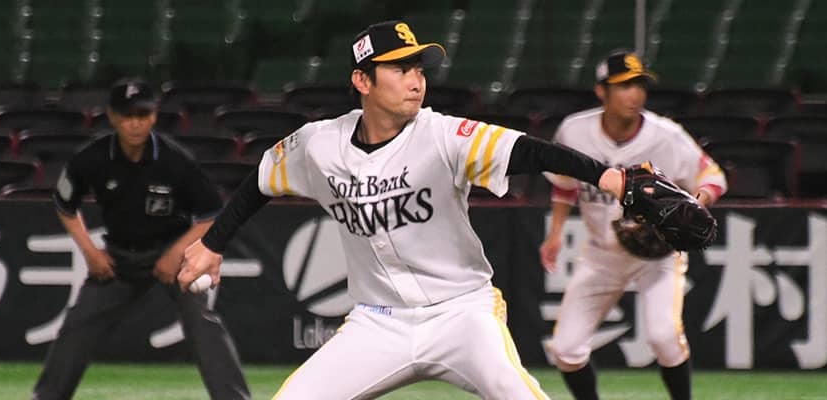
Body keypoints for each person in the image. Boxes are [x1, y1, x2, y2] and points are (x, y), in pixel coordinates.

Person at [178, 21, 628, 399]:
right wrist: (213, 244)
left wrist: (608, 177)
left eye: (418, 68)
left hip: (462, 314)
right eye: (399, 68)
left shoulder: (442, 135)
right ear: (363, 81)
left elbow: (529, 150)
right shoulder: (320, 144)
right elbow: (262, 179)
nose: (416, 80)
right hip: (378, 322)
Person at [32, 78, 251, 400]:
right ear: (112, 116)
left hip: (172, 256)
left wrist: (176, 253)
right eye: (127, 115)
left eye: (142, 114)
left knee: (203, 320)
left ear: (154, 116)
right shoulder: (92, 158)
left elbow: (211, 214)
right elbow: (65, 204)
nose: (135, 123)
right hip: (119, 258)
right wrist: (90, 252)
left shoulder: (175, 160)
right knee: (78, 324)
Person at [538, 50, 728, 400]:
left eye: (639, 85)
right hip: (602, 256)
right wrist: (555, 234)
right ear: (602, 91)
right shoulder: (574, 131)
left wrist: (695, 203)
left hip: (658, 256)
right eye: (623, 86)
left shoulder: (666, 135)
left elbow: (714, 176)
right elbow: (564, 184)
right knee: (565, 350)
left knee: (664, 337)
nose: (634, 94)